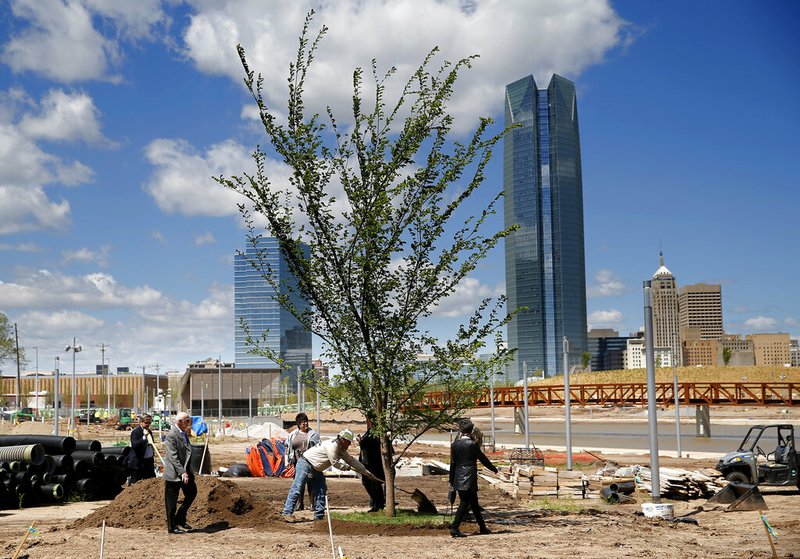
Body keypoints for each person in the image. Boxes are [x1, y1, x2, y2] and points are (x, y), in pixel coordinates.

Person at [282, 429, 383, 521]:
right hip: (305, 464)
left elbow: (352, 461)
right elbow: (335, 463)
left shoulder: (341, 449)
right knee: (297, 488)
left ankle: (319, 515)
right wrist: (346, 468)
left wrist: (366, 472)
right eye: (348, 442)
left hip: (317, 468)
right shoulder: (332, 446)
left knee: (321, 490)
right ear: (342, 440)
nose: (349, 445)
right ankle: (287, 512)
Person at [448, 418, 498, 538]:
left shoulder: (455, 445)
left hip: (459, 477)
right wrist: (494, 469)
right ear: (471, 431)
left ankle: (482, 527)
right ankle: (454, 527)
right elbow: (483, 459)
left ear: (460, 430)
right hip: (470, 477)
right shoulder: (473, 444)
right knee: (464, 503)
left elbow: (453, 464)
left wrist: (451, 480)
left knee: (474, 504)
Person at [163, 411, 197, 534]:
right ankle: (171, 527)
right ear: (180, 422)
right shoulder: (172, 435)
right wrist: (182, 472)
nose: (189, 423)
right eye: (186, 420)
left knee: (192, 492)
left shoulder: (183, 433)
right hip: (174, 473)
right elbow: (173, 456)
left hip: (185, 470)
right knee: (171, 500)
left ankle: (180, 518)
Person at [284, 412, 319, 511]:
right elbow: (287, 448)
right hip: (297, 463)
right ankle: (300, 504)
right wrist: (286, 461)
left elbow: (318, 447)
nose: (305, 424)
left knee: (311, 483)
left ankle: (312, 504)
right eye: (303, 422)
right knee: (299, 483)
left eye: (306, 422)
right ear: (299, 424)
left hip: (310, 463)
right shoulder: (292, 435)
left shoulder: (313, 435)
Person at [358, 415, 387, 512]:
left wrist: (361, 443)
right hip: (368, 464)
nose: (367, 423)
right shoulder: (371, 433)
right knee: (370, 484)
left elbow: (370, 447)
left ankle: (378, 505)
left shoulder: (375, 434)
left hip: (374, 465)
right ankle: (376, 504)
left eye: (368, 420)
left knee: (374, 485)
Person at [128, 414, 156, 484]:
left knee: (151, 482)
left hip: (148, 462)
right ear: (141, 422)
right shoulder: (136, 432)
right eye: (146, 422)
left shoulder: (149, 431)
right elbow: (134, 445)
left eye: (150, 422)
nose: (148, 424)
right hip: (139, 463)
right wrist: (144, 438)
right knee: (137, 483)